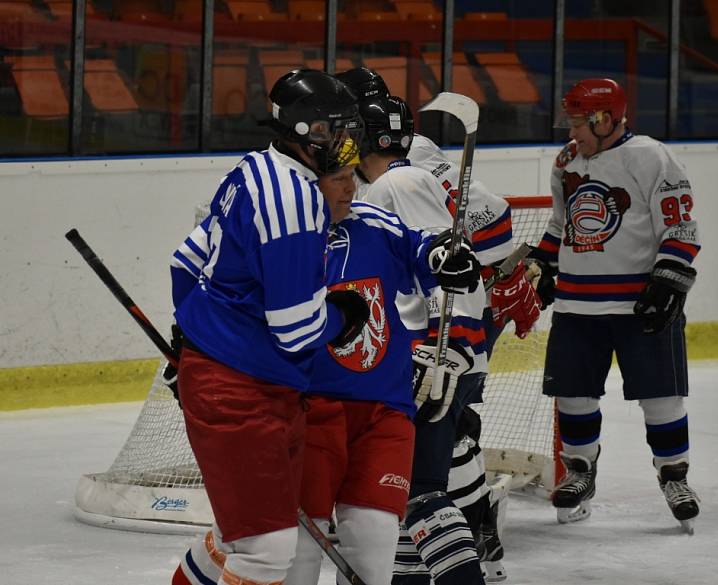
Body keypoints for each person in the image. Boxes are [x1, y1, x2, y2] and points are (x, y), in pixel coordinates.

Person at [170, 145, 483, 585]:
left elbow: (423, 248)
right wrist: (196, 348)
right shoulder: (278, 229)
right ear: (308, 183)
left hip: (383, 411)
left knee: (373, 552)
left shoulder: (373, 223)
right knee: (287, 559)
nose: (351, 188)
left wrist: (445, 256)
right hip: (308, 409)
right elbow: (199, 273)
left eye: (353, 175)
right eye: (339, 178)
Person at [168, 69, 372, 585]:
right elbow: (296, 330)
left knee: (245, 537)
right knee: (265, 550)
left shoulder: (251, 168)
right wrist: (345, 316)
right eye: (336, 129)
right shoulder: (297, 204)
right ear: (307, 133)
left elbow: (185, 261)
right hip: (243, 390)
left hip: (243, 380)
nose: (347, 141)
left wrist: (193, 341)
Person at [338, 66, 540, 583]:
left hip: (430, 355)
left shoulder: (400, 182)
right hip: (423, 353)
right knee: (413, 484)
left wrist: (441, 355)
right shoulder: (386, 181)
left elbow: (449, 276)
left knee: (421, 485)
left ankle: (472, 547)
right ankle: (438, 559)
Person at [528, 78, 702, 533]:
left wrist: (669, 279)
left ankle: (674, 476)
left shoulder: (650, 156)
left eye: (579, 122)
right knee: (572, 395)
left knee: (661, 397)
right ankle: (581, 472)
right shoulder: (567, 160)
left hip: (637, 305)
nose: (574, 131)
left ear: (605, 118)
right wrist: (541, 262)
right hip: (577, 305)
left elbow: (680, 225)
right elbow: (559, 225)